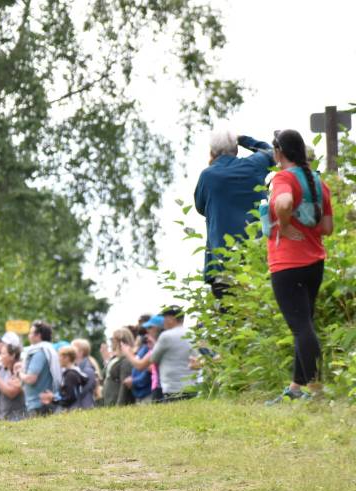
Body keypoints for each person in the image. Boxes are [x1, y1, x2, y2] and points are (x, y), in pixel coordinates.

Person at [265, 130, 334, 403]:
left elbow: (283, 202)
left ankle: (316, 390)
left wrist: (283, 225)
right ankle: (296, 388)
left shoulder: (283, 178)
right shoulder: (318, 181)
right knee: (304, 323)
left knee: (301, 328)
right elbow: (327, 228)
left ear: (279, 152)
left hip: (287, 264)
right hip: (314, 262)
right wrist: (305, 225)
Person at [194, 130, 274, 299]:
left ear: (212, 151)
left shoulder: (207, 176)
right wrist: (244, 139)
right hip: (258, 257)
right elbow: (271, 152)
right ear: (236, 149)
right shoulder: (254, 165)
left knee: (231, 318)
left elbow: (200, 207)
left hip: (222, 264)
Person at [121, 307, 195, 402]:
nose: (163, 321)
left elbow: (141, 365)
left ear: (171, 319)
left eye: (165, 318)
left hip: (173, 389)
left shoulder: (166, 336)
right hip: (192, 387)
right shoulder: (192, 334)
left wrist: (128, 353)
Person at [17, 321, 62, 417]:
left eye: (30, 333)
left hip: (38, 405)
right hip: (44, 403)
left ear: (38, 335)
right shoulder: (49, 350)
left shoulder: (39, 352)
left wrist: (19, 373)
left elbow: (31, 379)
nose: (28, 336)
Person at [101, 328, 136, 406]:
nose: (111, 342)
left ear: (120, 341)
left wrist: (120, 405)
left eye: (112, 339)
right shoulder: (114, 358)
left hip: (116, 401)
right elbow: (104, 375)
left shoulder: (126, 360)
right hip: (108, 400)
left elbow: (124, 386)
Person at [55, 346, 87, 411]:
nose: (58, 359)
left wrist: (53, 398)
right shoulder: (74, 372)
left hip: (72, 410)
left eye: (60, 356)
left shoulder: (70, 375)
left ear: (66, 358)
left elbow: (70, 397)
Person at [70, 338, 99, 409]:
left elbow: (80, 392)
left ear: (81, 352)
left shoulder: (88, 370)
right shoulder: (76, 367)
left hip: (84, 408)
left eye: (72, 348)